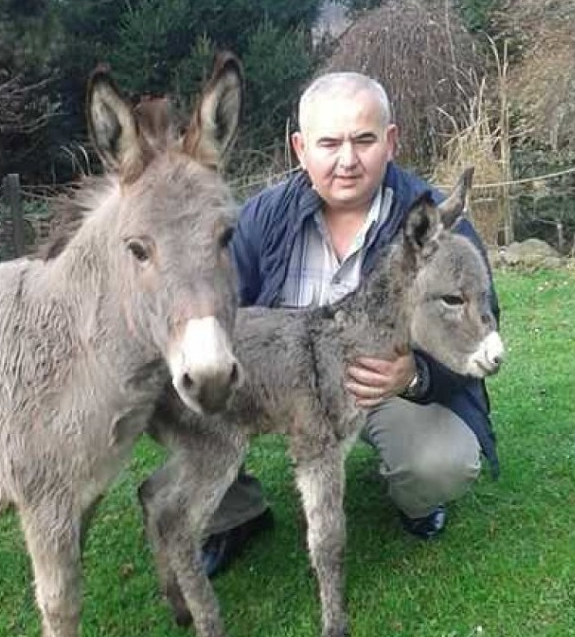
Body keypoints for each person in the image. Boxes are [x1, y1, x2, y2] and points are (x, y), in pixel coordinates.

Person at [200, 70, 500, 577]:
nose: (346, 160)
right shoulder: (261, 218)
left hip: (382, 391)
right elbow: (218, 306)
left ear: (391, 141)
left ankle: (418, 503)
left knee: (440, 461)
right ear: (300, 148)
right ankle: (235, 513)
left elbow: (482, 331)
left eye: (363, 140)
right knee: (195, 385)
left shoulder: (438, 225)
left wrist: (416, 376)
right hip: (283, 379)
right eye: (329, 142)